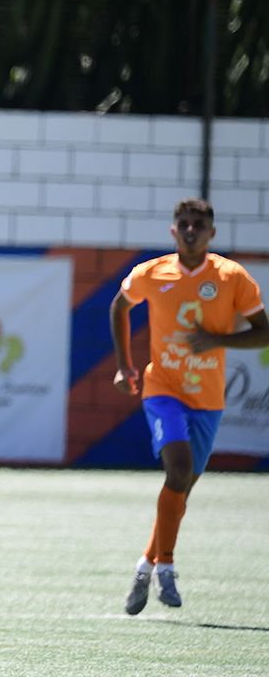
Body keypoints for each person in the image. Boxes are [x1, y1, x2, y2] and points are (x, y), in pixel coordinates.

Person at [111, 198, 267, 614]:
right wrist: (126, 365)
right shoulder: (153, 273)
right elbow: (119, 307)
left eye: (199, 224)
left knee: (180, 489)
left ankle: (144, 566)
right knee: (177, 470)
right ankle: (166, 566)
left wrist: (219, 341)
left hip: (208, 399)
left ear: (212, 233)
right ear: (173, 230)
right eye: (184, 223)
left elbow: (263, 333)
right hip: (162, 388)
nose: (191, 230)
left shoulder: (231, 277)